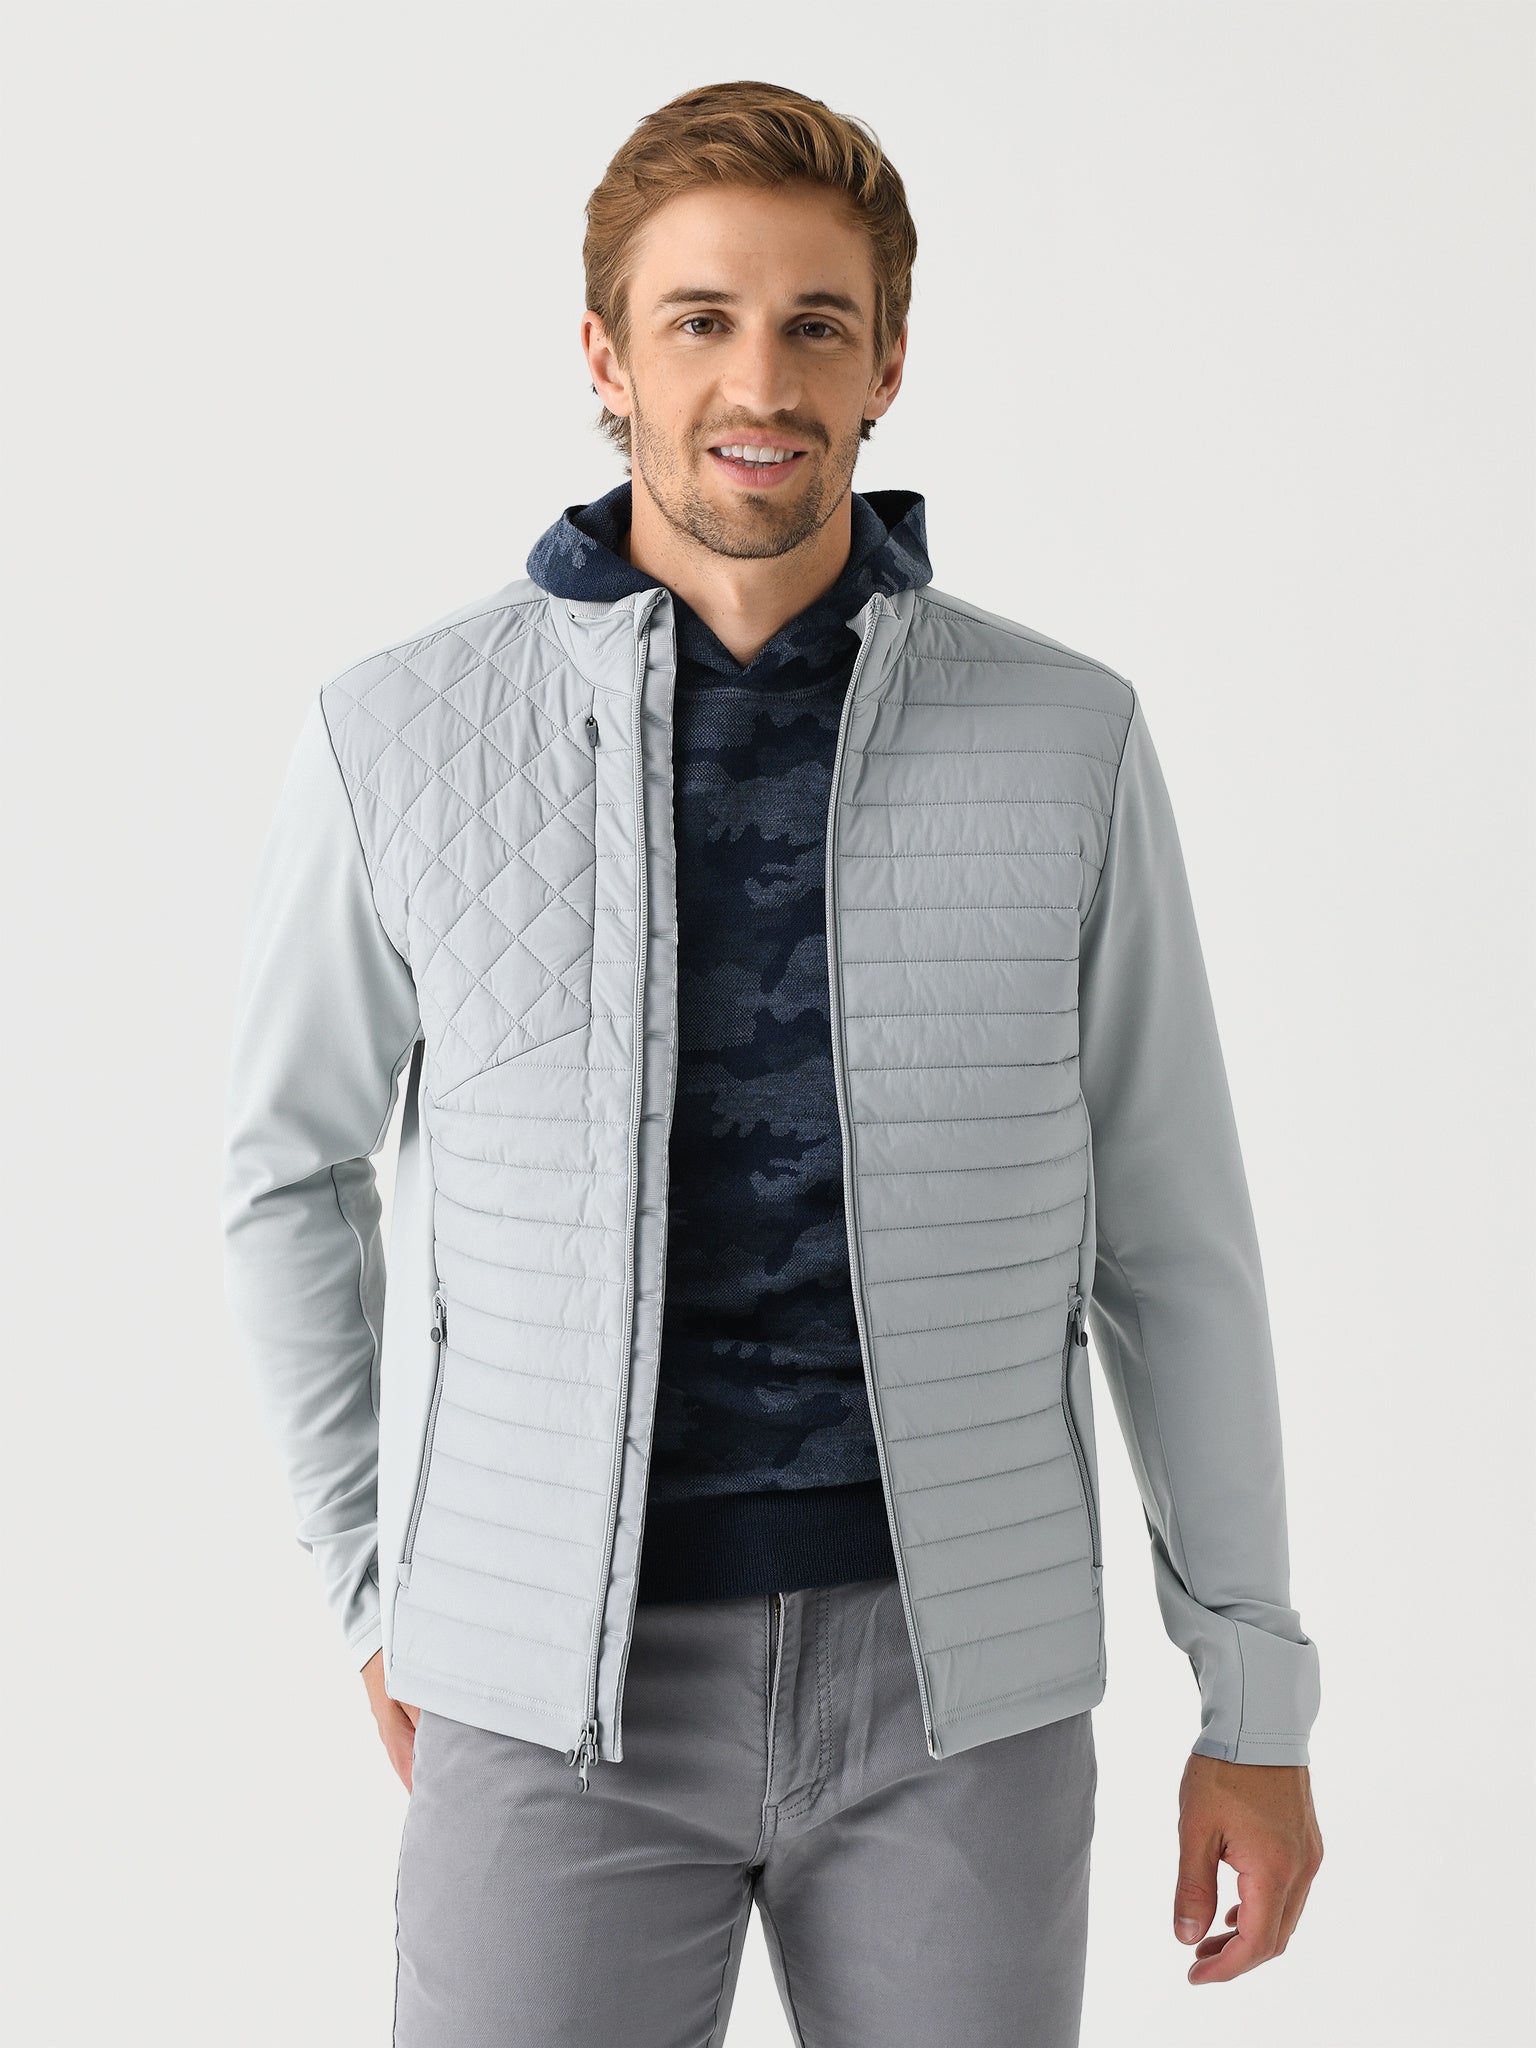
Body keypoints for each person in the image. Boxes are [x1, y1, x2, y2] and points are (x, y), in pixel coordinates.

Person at [221, 77, 1323, 2048]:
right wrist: (381, 1594)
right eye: (701, 319)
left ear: (888, 362)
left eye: (818, 323)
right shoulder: (396, 733)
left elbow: (1173, 1239)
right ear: (605, 357)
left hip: (957, 1694)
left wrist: (1254, 1701)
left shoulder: (1065, 739)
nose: (761, 380)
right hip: (550, 1691)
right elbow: (286, 1176)